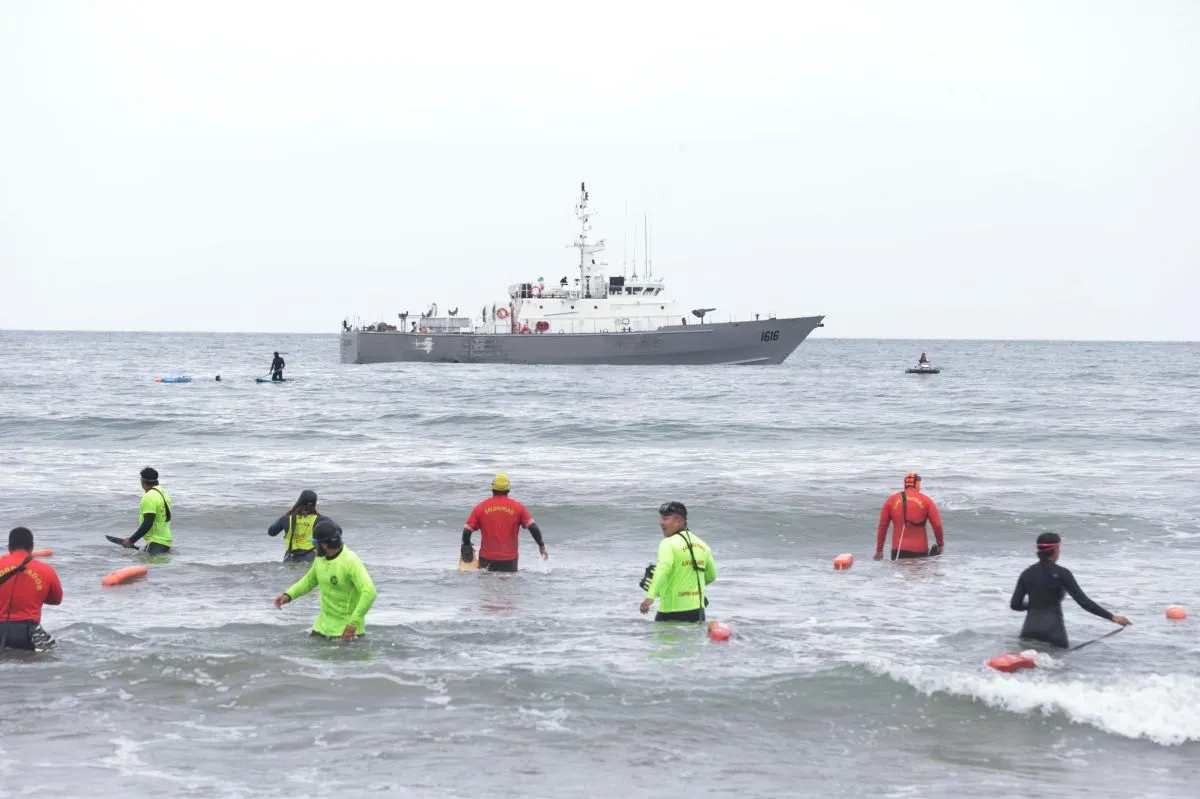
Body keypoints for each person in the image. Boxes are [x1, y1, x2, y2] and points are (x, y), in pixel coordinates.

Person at [1010, 532, 1130, 648]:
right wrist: (1112, 617)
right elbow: (1084, 602)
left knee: (1031, 666)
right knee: (1058, 667)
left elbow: (1015, 605)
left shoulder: (1027, 574)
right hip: (1053, 632)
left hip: (1029, 631)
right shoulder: (1062, 573)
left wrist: (1035, 604)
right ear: (1056, 549)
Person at [273, 518, 377, 641]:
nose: (313, 547)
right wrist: (288, 595)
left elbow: (369, 592)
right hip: (321, 627)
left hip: (346, 633)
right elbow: (309, 581)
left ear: (324, 545)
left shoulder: (350, 562)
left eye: (314, 543)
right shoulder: (320, 559)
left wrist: (353, 623)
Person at [639, 501, 717, 622]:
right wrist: (690, 589)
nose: (660, 523)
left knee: (662, 641)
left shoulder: (668, 543)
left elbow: (663, 569)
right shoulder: (703, 545)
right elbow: (711, 576)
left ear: (679, 522)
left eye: (665, 519)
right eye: (661, 518)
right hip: (698, 611)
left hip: (671, 612)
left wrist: (650, 597)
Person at [460, 474, 548, 572]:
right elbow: (533, 527)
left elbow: (467, 531)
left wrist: (467, 545)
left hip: (486, 559)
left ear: (492, 489)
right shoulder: (518, 507)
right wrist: (541, 546)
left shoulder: (480, 507)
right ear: (508, 489)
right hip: (509, 560)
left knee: (487, 585)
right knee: (509, 585)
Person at [0, 527, 63, 652]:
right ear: (32, 547)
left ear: (9, 546)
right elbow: (56, 600)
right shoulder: (46, 570)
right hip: (29, 633)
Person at [874, 472, 944, 560]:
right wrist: (940, 545)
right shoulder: (926, 501)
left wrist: (879, 551)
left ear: (905, 484)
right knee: (919, 574)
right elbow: (937, 525)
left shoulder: (891, 500)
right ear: (917, 484)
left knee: (899, 574)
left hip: (898, 552)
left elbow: (882, 527)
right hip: (920, 552)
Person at [122, 466, 173, 553]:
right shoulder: (163, 494)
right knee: (159, 567)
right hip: (165, 542)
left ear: (142, 481)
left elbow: (148, 523)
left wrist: (131, 540)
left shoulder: (149, 496)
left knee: (150, 566)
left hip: (156, 542)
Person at [267, 489, 320, 563]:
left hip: (290, 558)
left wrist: (287, 513)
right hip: (310, 558)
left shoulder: (287, 518)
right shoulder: (320, 519)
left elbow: (271, 532)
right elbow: (338, 531)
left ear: (299, 502)